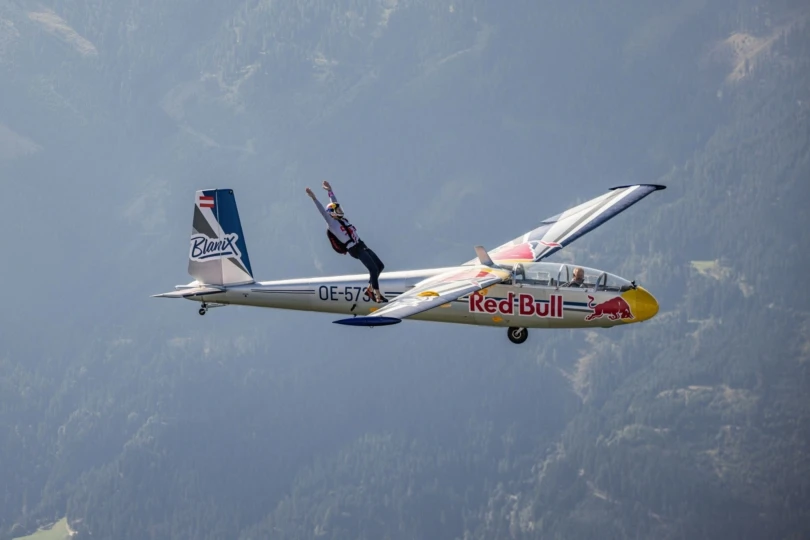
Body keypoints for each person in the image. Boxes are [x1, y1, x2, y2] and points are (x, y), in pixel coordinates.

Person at [306, 181, 388, 303]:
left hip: (361, 244)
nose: (339, 210)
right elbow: (323, 211)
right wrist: (314, 198)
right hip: (354, 249)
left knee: (380, 266)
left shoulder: (343, 219)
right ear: (332, 213)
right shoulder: (332, 223)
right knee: (373, 269)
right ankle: (377, 296)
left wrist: (330, 191)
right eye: (337, 210)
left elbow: (334, 202)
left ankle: (370, 289)